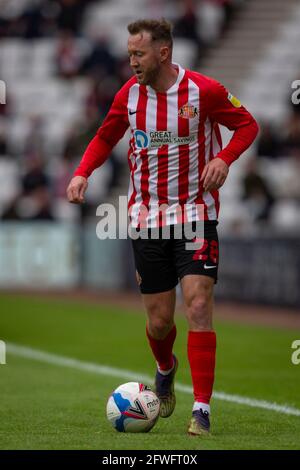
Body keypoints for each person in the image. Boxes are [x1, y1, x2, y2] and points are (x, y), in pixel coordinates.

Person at [67, 18, 259, 436]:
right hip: (147, 221)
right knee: (159, 322)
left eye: (138, 53)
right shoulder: (129, 96)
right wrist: (83, 172)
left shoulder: (203, 91)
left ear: (163, 53)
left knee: (198, 305)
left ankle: (202, 409)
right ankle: (165, 367)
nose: (131, 61)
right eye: (130, 53)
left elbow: (248, 125)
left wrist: (223, 158)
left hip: (196, 214)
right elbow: (104, 137)